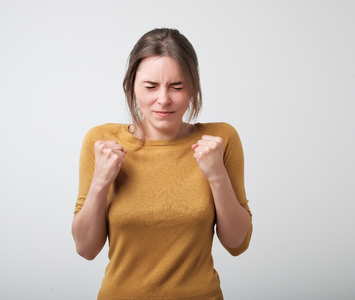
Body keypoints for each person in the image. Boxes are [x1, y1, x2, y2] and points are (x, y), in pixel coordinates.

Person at [72, 28, 252, 300]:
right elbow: (86, 249)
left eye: (177, 86)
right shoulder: (101, 142)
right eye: (151, 86)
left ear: (192, 87)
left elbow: (237, 243)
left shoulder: (220, 140)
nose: (164, 99)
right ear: (132, 86)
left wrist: (217, 177)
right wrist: (100, 182)